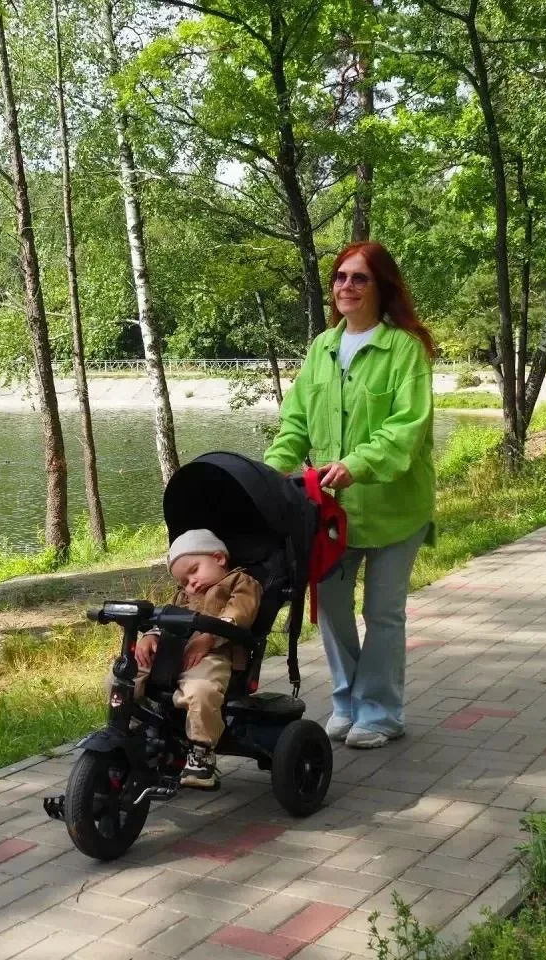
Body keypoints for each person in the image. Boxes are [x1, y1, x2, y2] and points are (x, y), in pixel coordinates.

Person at [264, 241, 435, 749]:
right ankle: (347, 702)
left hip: (394, 510)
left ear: (381, 287)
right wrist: (268, 475)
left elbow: (407, 428)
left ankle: (380, 714)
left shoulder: (405, 350)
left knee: (383, 614)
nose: (346, 286)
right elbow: (296, 423)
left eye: (360, 278)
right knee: (332, 608)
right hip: (329, 512)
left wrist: (356, 465)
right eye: (340, 277)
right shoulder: (322, 348)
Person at [133, 529, 262, 788]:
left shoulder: (241, 582)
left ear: (218, 558)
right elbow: (167, 617)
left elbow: (240, 613)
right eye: (184, 581)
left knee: (200, 690)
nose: (191, 583)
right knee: (125, 675)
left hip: (215, 654)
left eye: (194, 571)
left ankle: (201, 753)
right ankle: (134, 727)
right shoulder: (185, 595)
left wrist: (209, 637)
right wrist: (151, 635)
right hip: (174, 653)